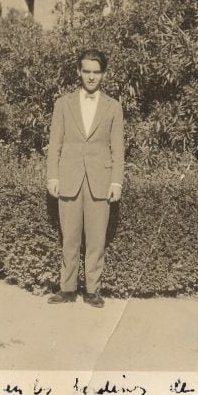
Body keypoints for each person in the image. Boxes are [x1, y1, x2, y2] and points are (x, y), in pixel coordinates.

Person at [45, 49, 124, 308]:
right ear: (79, 72)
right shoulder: (63, 104)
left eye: (96, 72)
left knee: (96, 239)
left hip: (100, 182)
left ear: (103, 74)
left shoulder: (113, 107)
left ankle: (93, 290)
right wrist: (53, 176)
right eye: (86, 71)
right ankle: (67, 289)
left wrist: (116, 182)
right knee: (69, 237)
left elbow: (118, 148)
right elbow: (54, 144)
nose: (91, 77)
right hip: (69, 179)